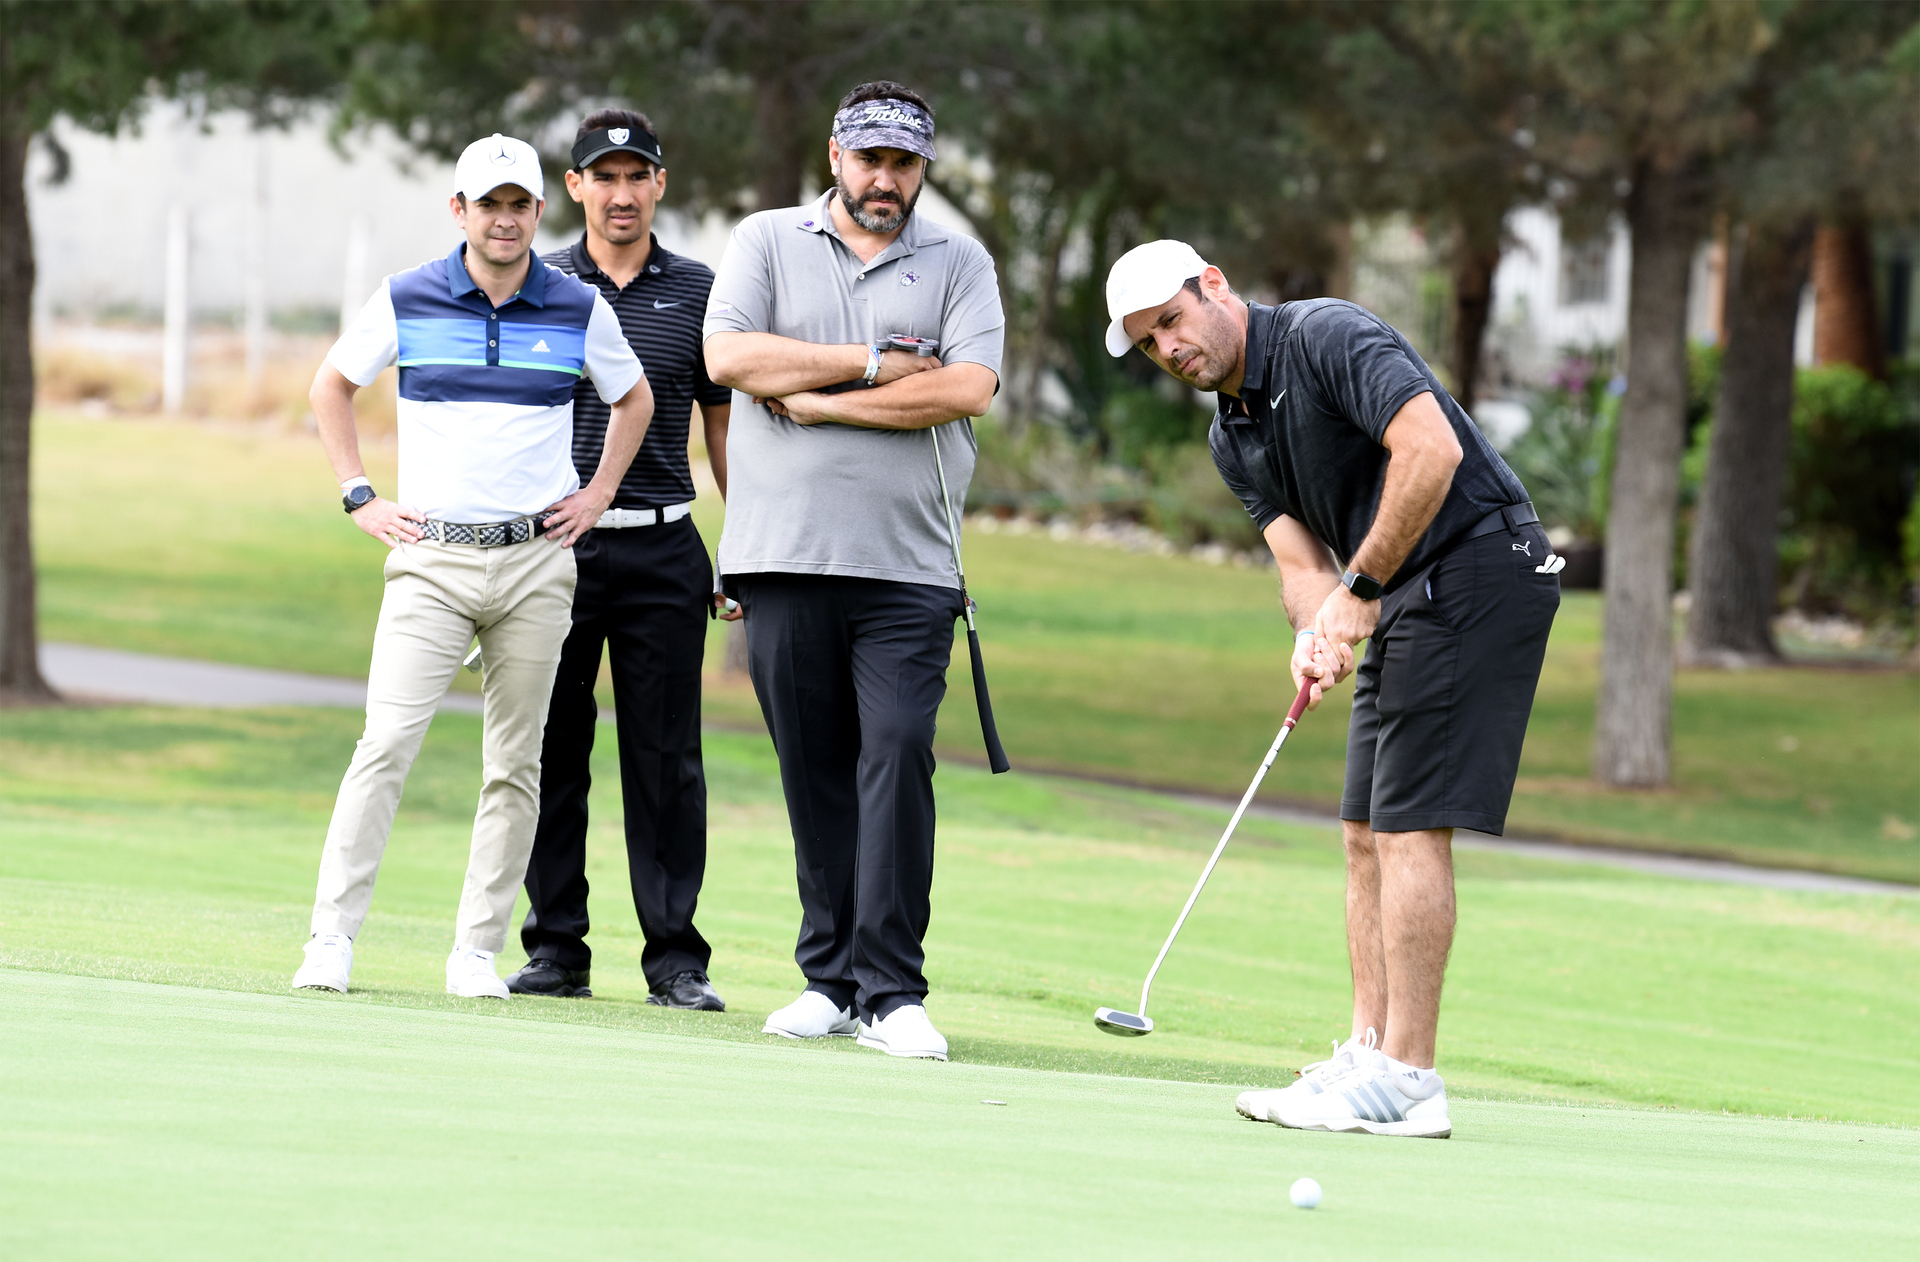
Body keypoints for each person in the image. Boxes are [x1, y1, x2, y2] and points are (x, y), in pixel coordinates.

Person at [1104, 239, 1559, 1137]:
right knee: (1362, 830)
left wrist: (1358, 595)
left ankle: (1410, 1078)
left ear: (1215, 287)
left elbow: (1427, 450)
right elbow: (1298, 560)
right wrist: (1320, 629)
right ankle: (1369, 1051)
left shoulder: (1326, 336)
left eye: (1172, 321)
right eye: (1151, 344)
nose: (1171, 348)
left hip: (1477, 568)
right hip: (1401, 593)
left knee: (1407, 826)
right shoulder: (1230, 433)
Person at [291, 133, 653, 1000]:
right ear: (460, 211)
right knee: (385, 744)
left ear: (538, 211)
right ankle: (331, 938)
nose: (503, 219)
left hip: (535, 562)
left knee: (515, 763)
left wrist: (599, 492)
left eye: (518, 204)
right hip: (432, 559)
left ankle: (475, 952)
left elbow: (633, 396)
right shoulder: (408, 296)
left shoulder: (575, 306)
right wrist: (360, 496)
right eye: (487, 204)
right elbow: (330, 385)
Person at [702, 81, 1004, 1061]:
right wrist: (874, 365)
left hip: (911, 566)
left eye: (903, 163)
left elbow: (963, 387)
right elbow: (731, 356)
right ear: (836, 155)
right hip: (782, 554)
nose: (885, 178)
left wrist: (824, 402)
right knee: (815, 769)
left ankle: (892, 988)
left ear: (923, 168)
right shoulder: (765, 240)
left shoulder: (960, 262)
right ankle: (829, 978)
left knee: (899, 753)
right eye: (869, 158)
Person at [503, 110, 738, 1010]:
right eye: (604, 176)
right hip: (553, 551)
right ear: (576, 189)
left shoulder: (699, 288)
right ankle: (556, 949)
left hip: (664, 548)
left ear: (660, 185)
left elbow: (720, 428)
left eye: (638, 175)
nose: (622, 192)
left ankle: (676, 959)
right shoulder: (539, 281)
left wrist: (740, 547)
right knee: (551, 751)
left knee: (667, 760)